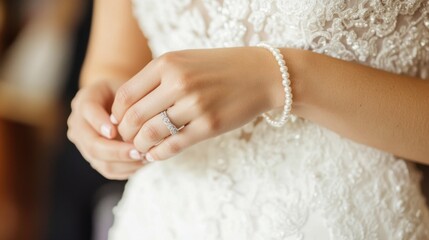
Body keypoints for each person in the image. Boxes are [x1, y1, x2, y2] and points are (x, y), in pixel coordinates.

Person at [67, 0, 429, 239]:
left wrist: (277, 79)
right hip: (166, 219)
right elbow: (114, 62)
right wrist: (102, 112)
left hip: (341, 218)